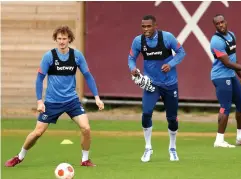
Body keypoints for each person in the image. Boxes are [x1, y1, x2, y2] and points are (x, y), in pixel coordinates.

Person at [5, 25, 104, 167]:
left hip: (72, 101)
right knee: (37, 133)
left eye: (64, 38)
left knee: (86, 128)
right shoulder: (49, 56)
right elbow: (39, 79)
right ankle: (19, 156)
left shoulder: (77, 56)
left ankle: (85, 160)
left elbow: (88, 76)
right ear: (55, 40)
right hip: (52, 102)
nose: (62, 41)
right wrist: (40, 101)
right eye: (59, 39)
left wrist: (97, 97)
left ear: (69, 39)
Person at [128, 15, 186, 162]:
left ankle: (172, 148)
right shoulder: (138, 41)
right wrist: (133, 68)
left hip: (169, 84)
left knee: (172, 119)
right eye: (143, 26)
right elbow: (131, 58)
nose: (146, 29)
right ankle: (148, 147)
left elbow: (181, 52)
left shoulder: (167, 38)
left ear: (155, 26)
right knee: (146, 114)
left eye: (148, 26)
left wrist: (171, 64)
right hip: (151, 84)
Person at [210, 14, 241, 148]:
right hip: (220, 76)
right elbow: (227, 63)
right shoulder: (216, 41)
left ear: (226, 22)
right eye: (217, 24)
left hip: (231, 75)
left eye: (222, 22)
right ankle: (219, 140)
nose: (221, 25)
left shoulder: (231, 35)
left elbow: (233, 59)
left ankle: (240, 137)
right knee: (225, 107)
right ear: (215, 26)